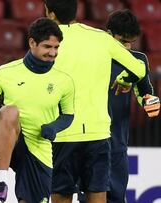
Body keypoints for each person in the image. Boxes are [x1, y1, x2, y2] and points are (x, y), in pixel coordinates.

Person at [44, 0, 147, 202]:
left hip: (63, 134)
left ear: (51, 14)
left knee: (60, 195)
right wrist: (125, 80)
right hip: (98, 134)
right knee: (98, 195)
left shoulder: (50, 43)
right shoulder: (100, 38)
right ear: (76, 10)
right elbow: (139, 69)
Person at [0, 17, 75, 203]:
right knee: (10, 111)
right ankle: (0, 182)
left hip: (39, 147)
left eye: (56, 47)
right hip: (10, 140)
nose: (52, 53)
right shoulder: (5, 72)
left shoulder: (64, 80)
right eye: (47, 47)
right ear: (32, 43)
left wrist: (54, 127)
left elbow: (68, 115)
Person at [77, 9, 160, 203]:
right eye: (121, 41)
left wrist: (150, 102)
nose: (126, 47)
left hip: (117, 145)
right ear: (108, 34)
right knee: (87, 198)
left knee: (115, 198)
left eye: (130, 42)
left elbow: (145, 92)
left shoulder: (137, 60)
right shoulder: (92, 58)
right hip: (89, 140)